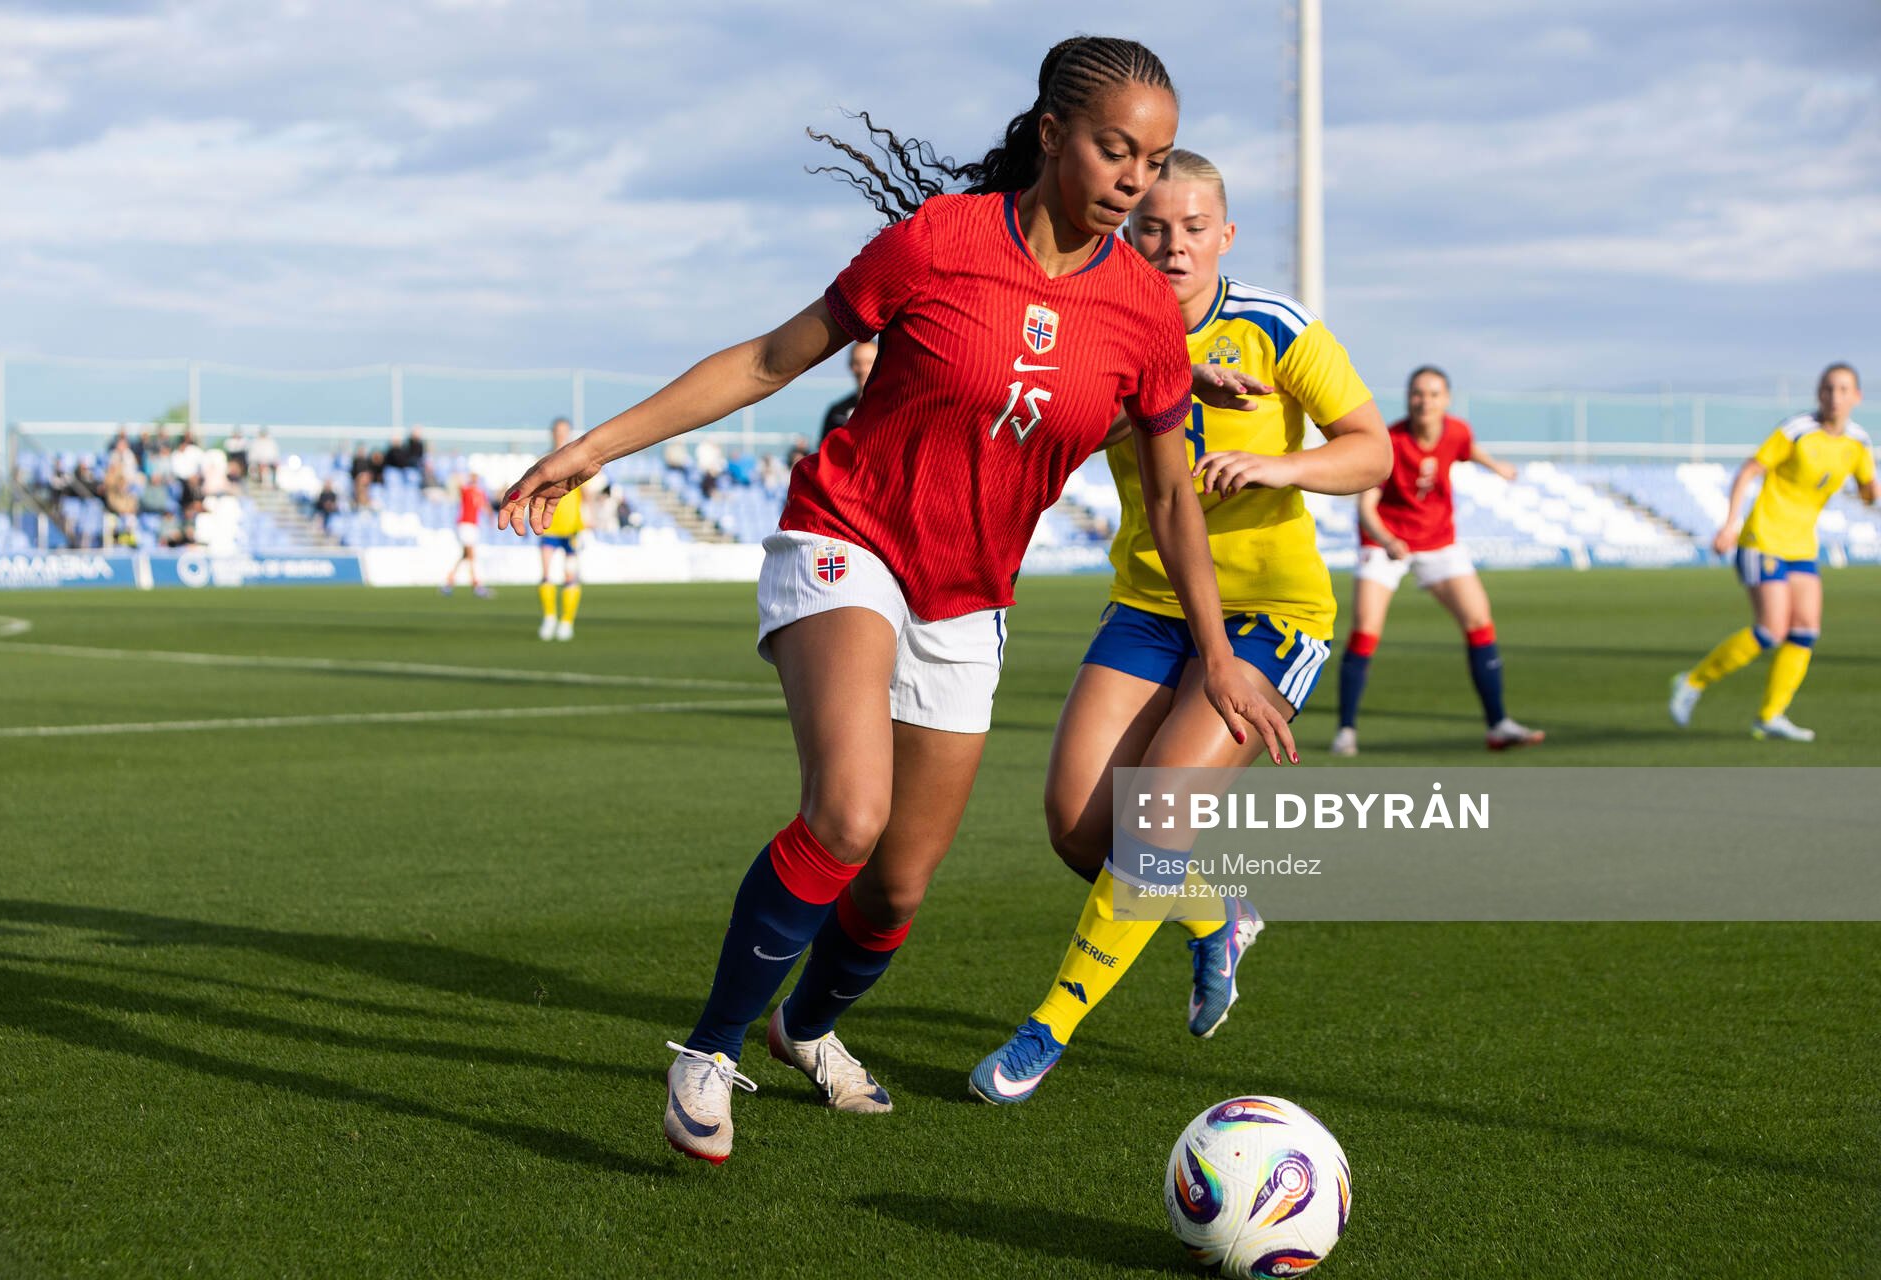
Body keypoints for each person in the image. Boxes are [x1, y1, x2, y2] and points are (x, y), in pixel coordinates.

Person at [500, 36, 1289, 1164]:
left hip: (968, 599)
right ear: (1053, 132)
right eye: (1117, 149)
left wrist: (1216, 655)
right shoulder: (940, 239)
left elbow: (1171, 499)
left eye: (1155, 161)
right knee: (848, 812)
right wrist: (595, 448)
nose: (1136, 180)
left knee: (895, 888)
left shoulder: (1144, 313)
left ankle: (805, 1026)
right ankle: (709, 1051)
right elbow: (770, 359)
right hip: (847, 536)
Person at [966, 150, 1389, 1103]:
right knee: (1082, 831)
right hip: (1150, 606)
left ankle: (1045, 1030)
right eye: (1154, 228)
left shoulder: (1275, 327)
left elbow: (1372, 452)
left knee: (1155, 820)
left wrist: (1281, 468)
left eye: (1194, 229)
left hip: (1272, 616)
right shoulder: (1102, 324)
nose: (1174, 247)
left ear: (1224, 235)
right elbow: (1058, 436)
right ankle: (1215, 914)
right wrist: (1163, 388)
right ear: (1127, 230)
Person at [1331, 366, 1545, 755]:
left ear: (1446, 400)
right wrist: (1388, 540)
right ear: (1408, 398)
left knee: (1479, 620)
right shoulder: (1390, 441)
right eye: (1417, 393)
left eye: (1432, 394)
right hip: (1385, 540)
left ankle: (1498, 725)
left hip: (1438, 540)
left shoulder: (1458, 431)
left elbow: (1468, 449)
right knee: (1366, 629)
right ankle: (1346, 732)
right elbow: (1366, 507)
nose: (1424, 401)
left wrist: (1496, 466)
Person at [1671, 364, 1872, 740]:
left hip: (1802, 546)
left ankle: (1770, 715)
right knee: (1771, 629)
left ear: (1857, 397)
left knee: (1805, 630)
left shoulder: (1858, 443)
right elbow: (1749, 472)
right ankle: (1693, 681)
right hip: (1762, 539)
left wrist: (1871, 492)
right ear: (1819, 394)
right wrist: (1730, 524)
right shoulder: (1797, 431)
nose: (1835, 397)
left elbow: (1867, 490)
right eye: (1828, 389)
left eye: (1843, 389)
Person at [536, 418, 589, 641]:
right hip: (549, 526)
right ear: (552, 433)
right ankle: (549, 618)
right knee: (546, 573)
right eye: (557, 431)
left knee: (570, 575)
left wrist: (587, 520)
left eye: (564, 431)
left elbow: (585, 494)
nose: (560, 434)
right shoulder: (544, 460)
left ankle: (567, 622)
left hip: (571, 527)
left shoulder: (576, 460)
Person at [442, 471, 494, 598]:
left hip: (473, 525)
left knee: (465, 555)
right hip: (465, 524)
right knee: (471, 555)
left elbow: (485, 506)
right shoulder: (467, 490)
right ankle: (476, 585)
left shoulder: (480, 492)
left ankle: (449, 583)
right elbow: (458, 482)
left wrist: (490, 516)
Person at [820, 340, 878, 442]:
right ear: (850, 365)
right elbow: (824, 447)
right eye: (857, 363)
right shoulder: (837, 412)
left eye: (869, 362)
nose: (863, 369)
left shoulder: (893, 409)